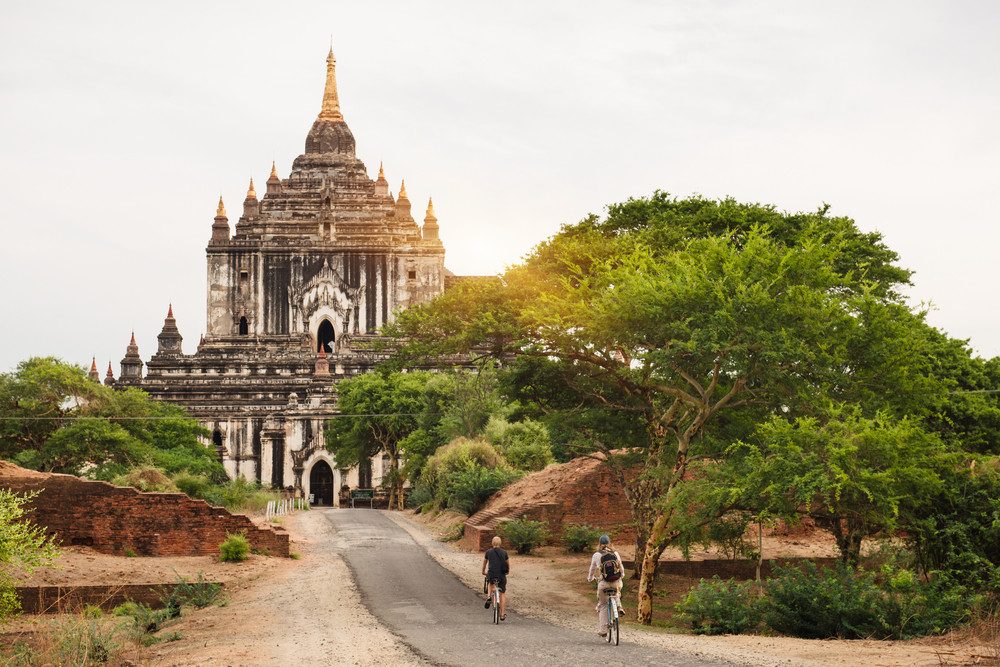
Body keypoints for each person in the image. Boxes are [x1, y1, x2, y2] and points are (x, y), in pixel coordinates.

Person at [587, 534, 625, 636]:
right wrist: (622, 575)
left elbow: (592, 569)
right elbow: (620, 566)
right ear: (609, 542)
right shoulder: (615, 553)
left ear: (599, 543)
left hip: (603, 583)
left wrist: (590, 578)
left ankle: (603, 630)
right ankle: (618, 606)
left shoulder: (596, 555)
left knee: (603, 604)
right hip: (616, 582)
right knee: (617, 591)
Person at [482, 535, 509, 621]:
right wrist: (507, 572)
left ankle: (489, 596)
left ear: (492, 543)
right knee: (502, 593)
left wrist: (483, 571)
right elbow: (507, 564)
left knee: (490, 584)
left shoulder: (488, 552)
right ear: (500, 543)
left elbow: (485, 563)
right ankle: (502, 614)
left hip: (492, 573)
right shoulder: (504, 552)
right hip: (501, 575)